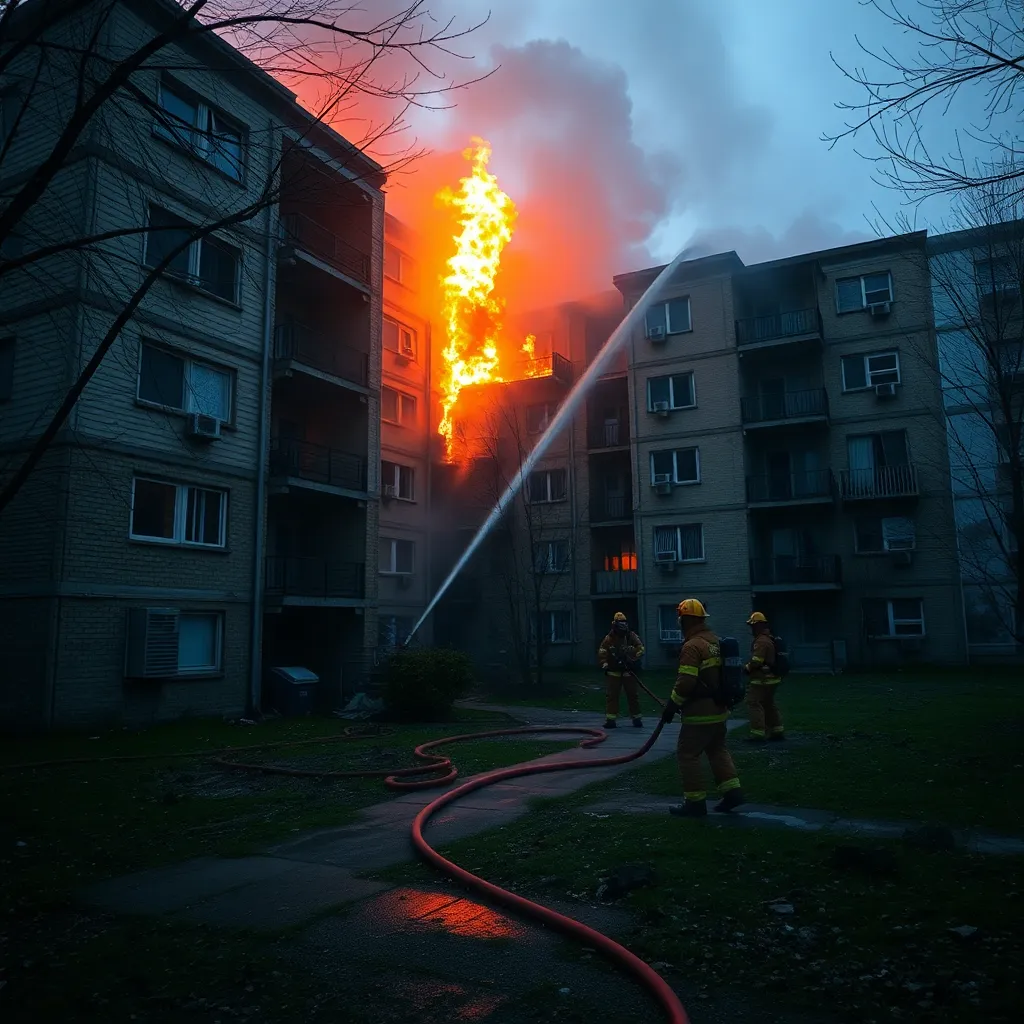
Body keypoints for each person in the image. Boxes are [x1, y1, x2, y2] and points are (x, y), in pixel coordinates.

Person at [661, 598, 745, 817]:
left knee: (687, 754)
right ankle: (732, 792)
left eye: (680, 619)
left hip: (700, 714)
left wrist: (672, 704)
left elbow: (686, 682)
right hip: (719, 711)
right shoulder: (715, 641)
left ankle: (695, 803)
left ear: (686, 620)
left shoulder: (691, 646)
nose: (679, 623)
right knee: (717, 750)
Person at [598, 612, 645, 728]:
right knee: (612, 696)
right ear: (614, 624)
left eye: (624, 623)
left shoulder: (631, 636)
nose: (623, 626)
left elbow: (641, 649)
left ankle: (637, 719)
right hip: (613, 671)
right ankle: (611, 720)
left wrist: (631, 653)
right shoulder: (609, 638)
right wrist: (604, 663)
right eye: (620, 624)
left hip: (628, 671)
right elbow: (602, 651)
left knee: (632, 695)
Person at [744, 611, 784, 743]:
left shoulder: (761, 641)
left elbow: (757, 661)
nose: (751, 629)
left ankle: (757, 733)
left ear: (759, 626)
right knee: (768, 704)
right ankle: (777, 730)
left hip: (762, 680)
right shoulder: (769, 639)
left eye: (753, 626)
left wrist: (747, 668)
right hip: (772, 678)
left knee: (754, 703)